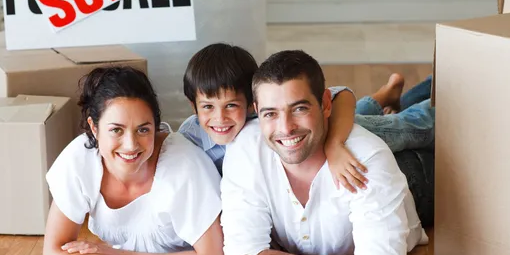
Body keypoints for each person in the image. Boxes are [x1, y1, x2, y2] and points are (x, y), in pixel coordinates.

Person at [220, 50, 428, 255]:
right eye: (270, 113)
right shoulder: (245, 148)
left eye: (299, 109)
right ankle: (395, 93)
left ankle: (443, 82)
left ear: (326, 104)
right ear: (256, 111)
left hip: (416, 177)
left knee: (441, 118)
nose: (285, 127)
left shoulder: (370, 159)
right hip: (346, 146)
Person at [42, 66, 225, 255]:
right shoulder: (80, 158)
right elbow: (54, 251)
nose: (130, 145)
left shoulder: (185, 165)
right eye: (116, 130)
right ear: (94, 127)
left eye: (143, 130)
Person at [178, 43, 434, 193]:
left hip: (325, 130)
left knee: (397, 128)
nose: (219, 118)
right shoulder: (191, 137)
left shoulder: (268, 114)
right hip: (299, 141)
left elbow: (340, 96)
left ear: (251, 105)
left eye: (231, 105)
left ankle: (441, 110)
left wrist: (335, 145)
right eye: (208, 107)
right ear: (194, 107)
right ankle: (383, 96)